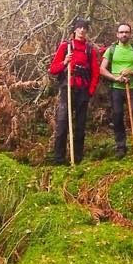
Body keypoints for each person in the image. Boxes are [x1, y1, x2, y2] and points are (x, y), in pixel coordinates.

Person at [48, 17, 100, 165]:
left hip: (83, 90)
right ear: (75, 29)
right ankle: (58, 159)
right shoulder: (66, 46)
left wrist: (90, 91)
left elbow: (95, 73)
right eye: (80, 27)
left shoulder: (89, 49)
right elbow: (53, 69)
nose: (82, 30)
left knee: (81, 126)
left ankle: (77, 158)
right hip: (67, 89)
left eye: (85, 28)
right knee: (62, 123)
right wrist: (65, 62)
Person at [100, 22, 133, 159]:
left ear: (130, 34)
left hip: (132, 88)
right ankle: (121, 147)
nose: (124, 34)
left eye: (126, 32)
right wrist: (115, 78)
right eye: (121, 32)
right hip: (116, 89)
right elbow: (102, 69)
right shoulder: (111, 50)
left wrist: (131, 72)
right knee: (117, 116)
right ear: (117, 34)